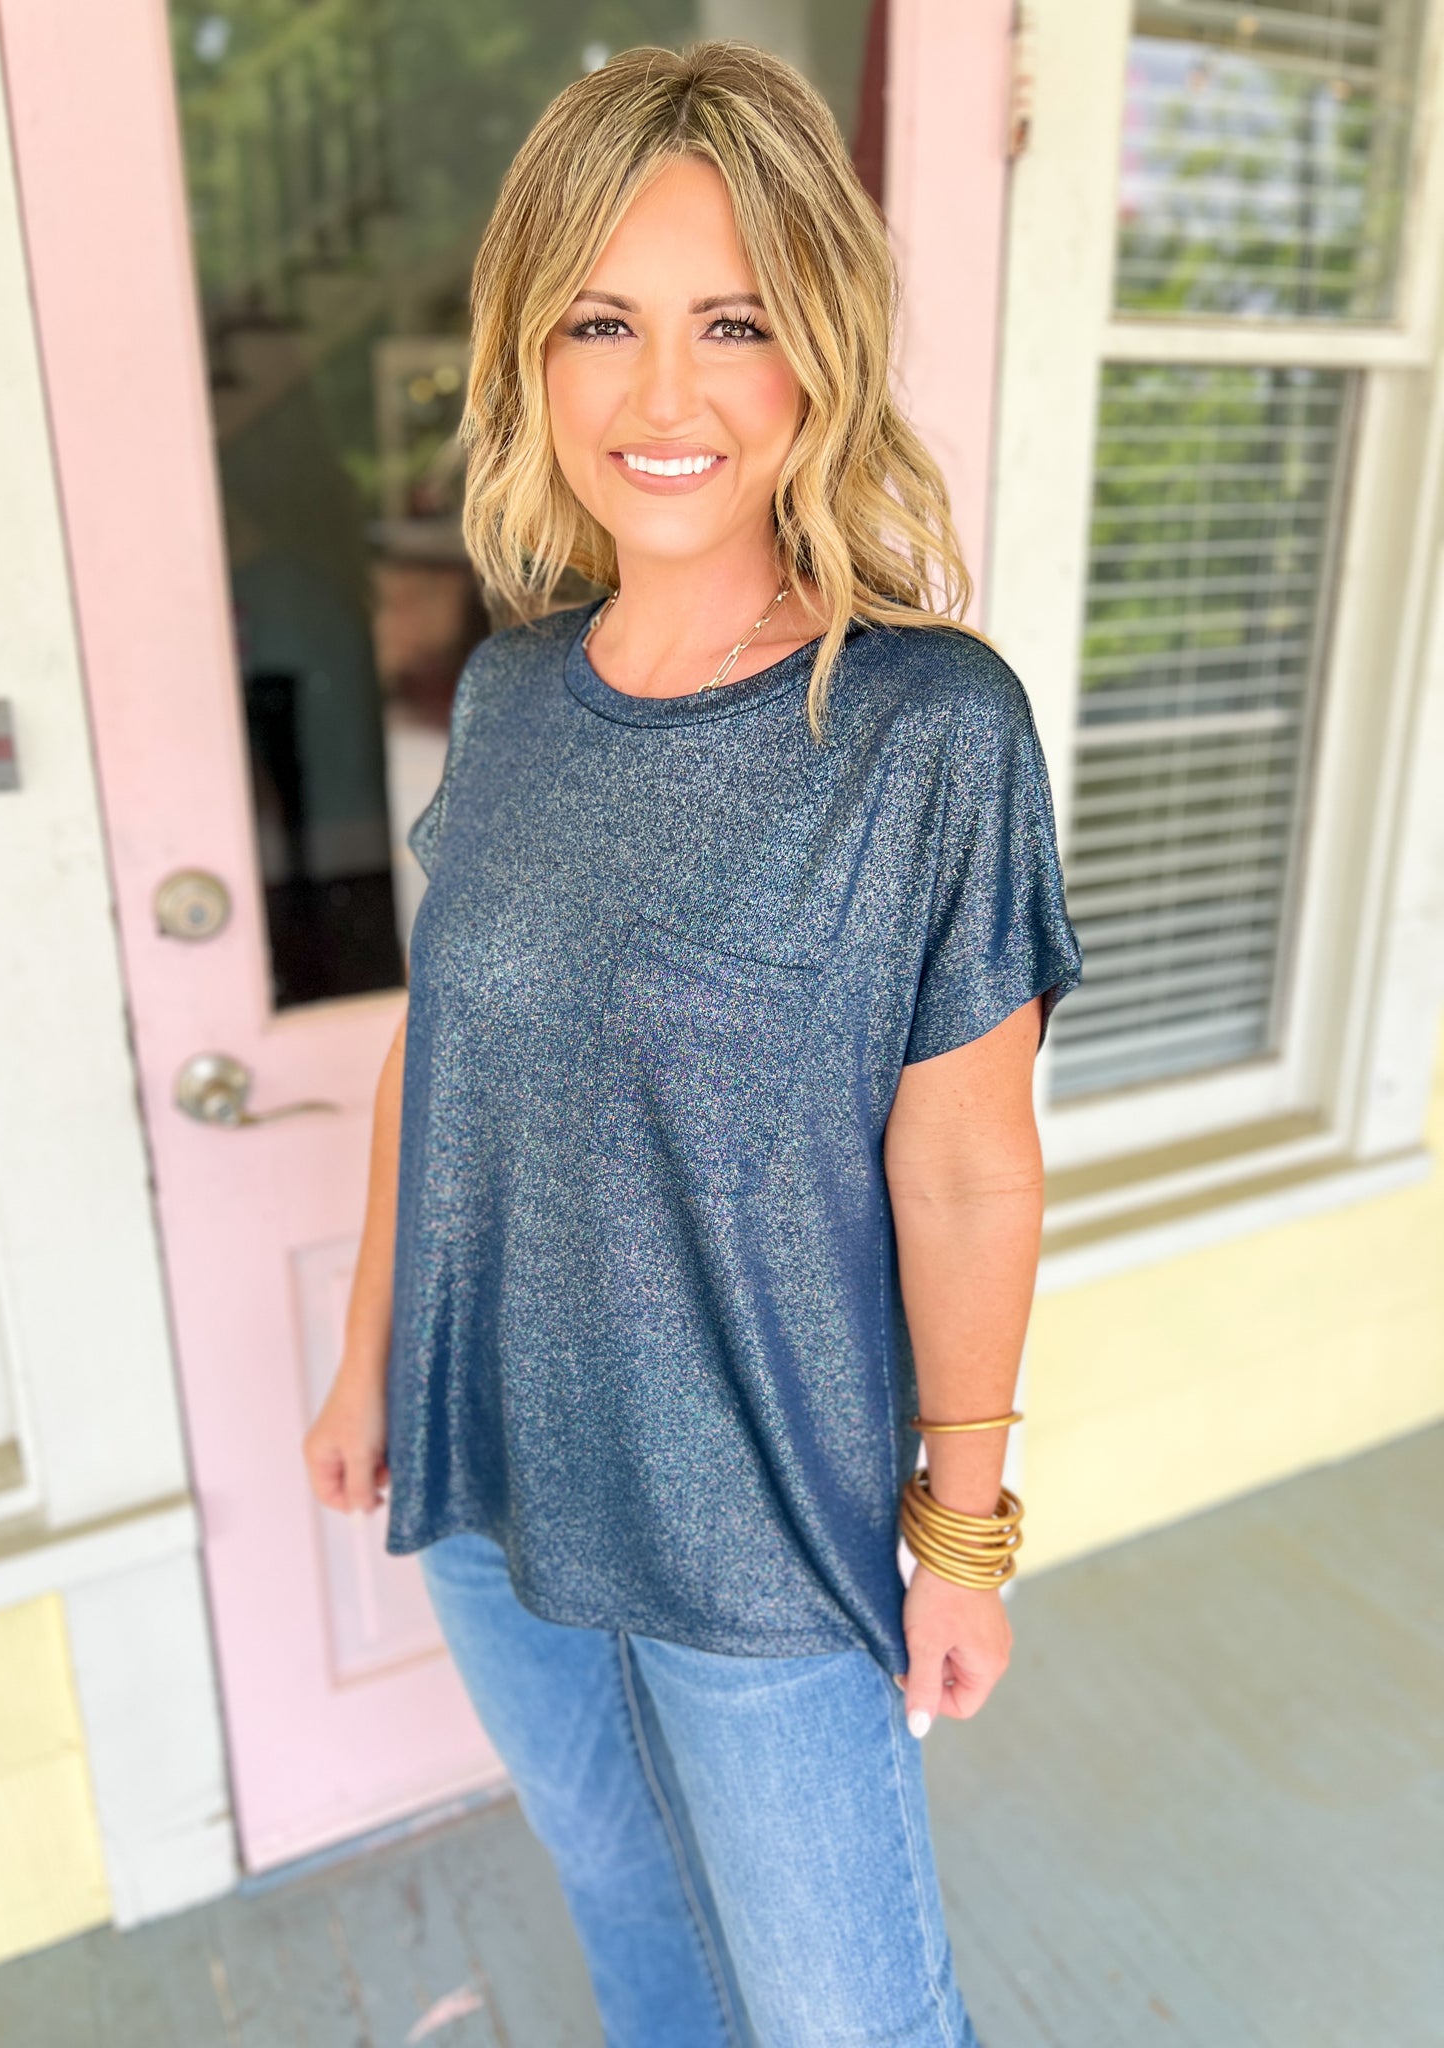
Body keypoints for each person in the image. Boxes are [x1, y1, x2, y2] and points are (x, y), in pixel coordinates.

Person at [304, 39, 1082, 2048]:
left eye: (731, 322)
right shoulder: (509, 698)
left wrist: (962, 1535)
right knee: (627, 1906)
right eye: (603, 323)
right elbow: (441, 1049)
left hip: (758, 1526)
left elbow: (966, 1167)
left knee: (849, 2020)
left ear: (819, 349)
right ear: (532, 358)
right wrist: (369, 1348)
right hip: (491, 1475)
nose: (664, 396)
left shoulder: (926, 731)